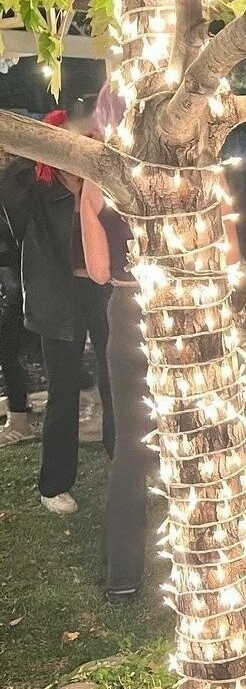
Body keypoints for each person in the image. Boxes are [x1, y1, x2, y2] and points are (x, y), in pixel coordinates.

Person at [0, 111, 113, 514]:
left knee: (115, 381)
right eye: (63, 139)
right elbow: (9, 182)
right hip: (56, 296)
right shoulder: (34, 188)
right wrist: (39, 143)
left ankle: (123, 462)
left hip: (103, 292)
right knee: (62, 391)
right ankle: (54, 484)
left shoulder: (101, 182)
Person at [77, 87, 154, 603]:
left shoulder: (97, 179)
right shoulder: (175, 169)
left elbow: (100, 271)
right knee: (198, 432)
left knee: (130, 446)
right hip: (185, 313)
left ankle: (123, 575)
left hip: (127, 310)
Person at [0, 160, 31, 446]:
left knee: (10, 347)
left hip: (21, 281)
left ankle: (19, 418)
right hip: (20, 279)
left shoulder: (15, 177)